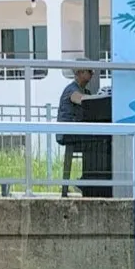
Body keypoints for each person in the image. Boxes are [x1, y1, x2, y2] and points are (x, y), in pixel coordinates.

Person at [56, 68, 95, 197]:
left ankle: (88, 180)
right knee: (96, 141)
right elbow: (79, 99)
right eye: (89, 71)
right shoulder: (72, 89)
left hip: (76, 131)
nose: (92, 74)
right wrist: (96, 99)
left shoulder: (85, 91)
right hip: (68, 132)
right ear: (79, 73)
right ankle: (87, 180)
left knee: (97, 139)